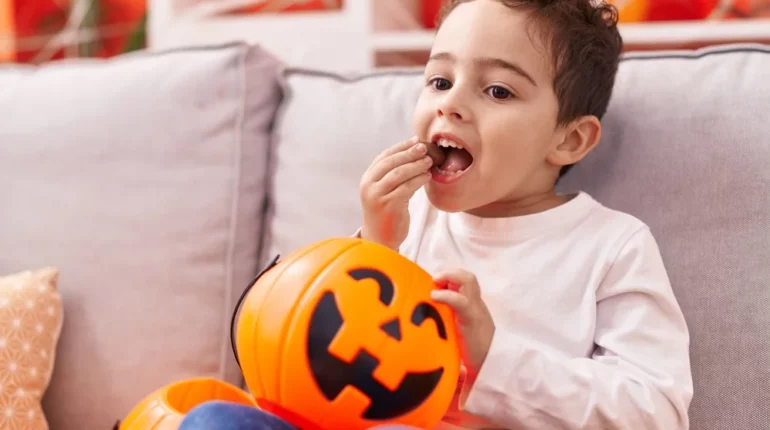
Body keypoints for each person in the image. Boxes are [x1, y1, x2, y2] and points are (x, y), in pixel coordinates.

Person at [180, 0, 693, 428]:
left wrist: (493, 356)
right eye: (440, 81)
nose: (451, 105)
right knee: (213, 420)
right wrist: (372, 249)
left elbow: (658, 412)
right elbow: (320, 356)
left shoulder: (610, 246)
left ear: (569, 138)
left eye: (498, 90)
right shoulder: (413, 221)